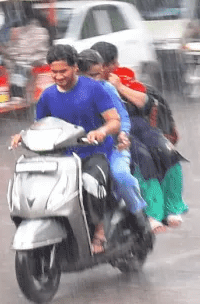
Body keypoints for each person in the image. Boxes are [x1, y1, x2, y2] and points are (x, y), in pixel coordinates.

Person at [10, 44, 120, 254]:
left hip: (94, 154)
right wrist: (22, 136)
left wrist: (101, 132)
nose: (58, 76)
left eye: (63, 71)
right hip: (62, 158)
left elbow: (114, 121)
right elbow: (39, 126)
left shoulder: (94, 89)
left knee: (91, 183)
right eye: (54, 72)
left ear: (75, 67)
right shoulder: (47, 96)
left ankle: (99, 231)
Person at [90, 41, 188, 234]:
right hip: (118, 131)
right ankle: (153, 213)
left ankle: (173, 207)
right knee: (142, 158)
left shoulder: (124, 77)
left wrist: (118, 86)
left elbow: (144, 101)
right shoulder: (87, 84)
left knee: (168, 152)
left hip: (140, 126)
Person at [77, 49, 148, 230]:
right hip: (80, 152)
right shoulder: (63, 94)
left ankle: (138, 212)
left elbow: (122, 118)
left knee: (121, 176)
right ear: (77, 73)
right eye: (91, 75)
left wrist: (123, 134)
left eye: (98, 75)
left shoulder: (106, 89)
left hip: (111, 149)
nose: (96, 80)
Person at [3, 8, 50, 98]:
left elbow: (15, 51)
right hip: (39, 64)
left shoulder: (20, 32)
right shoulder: (43, 32)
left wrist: (5, 52)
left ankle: (17, 96)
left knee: (18, 72)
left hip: (26, 65)